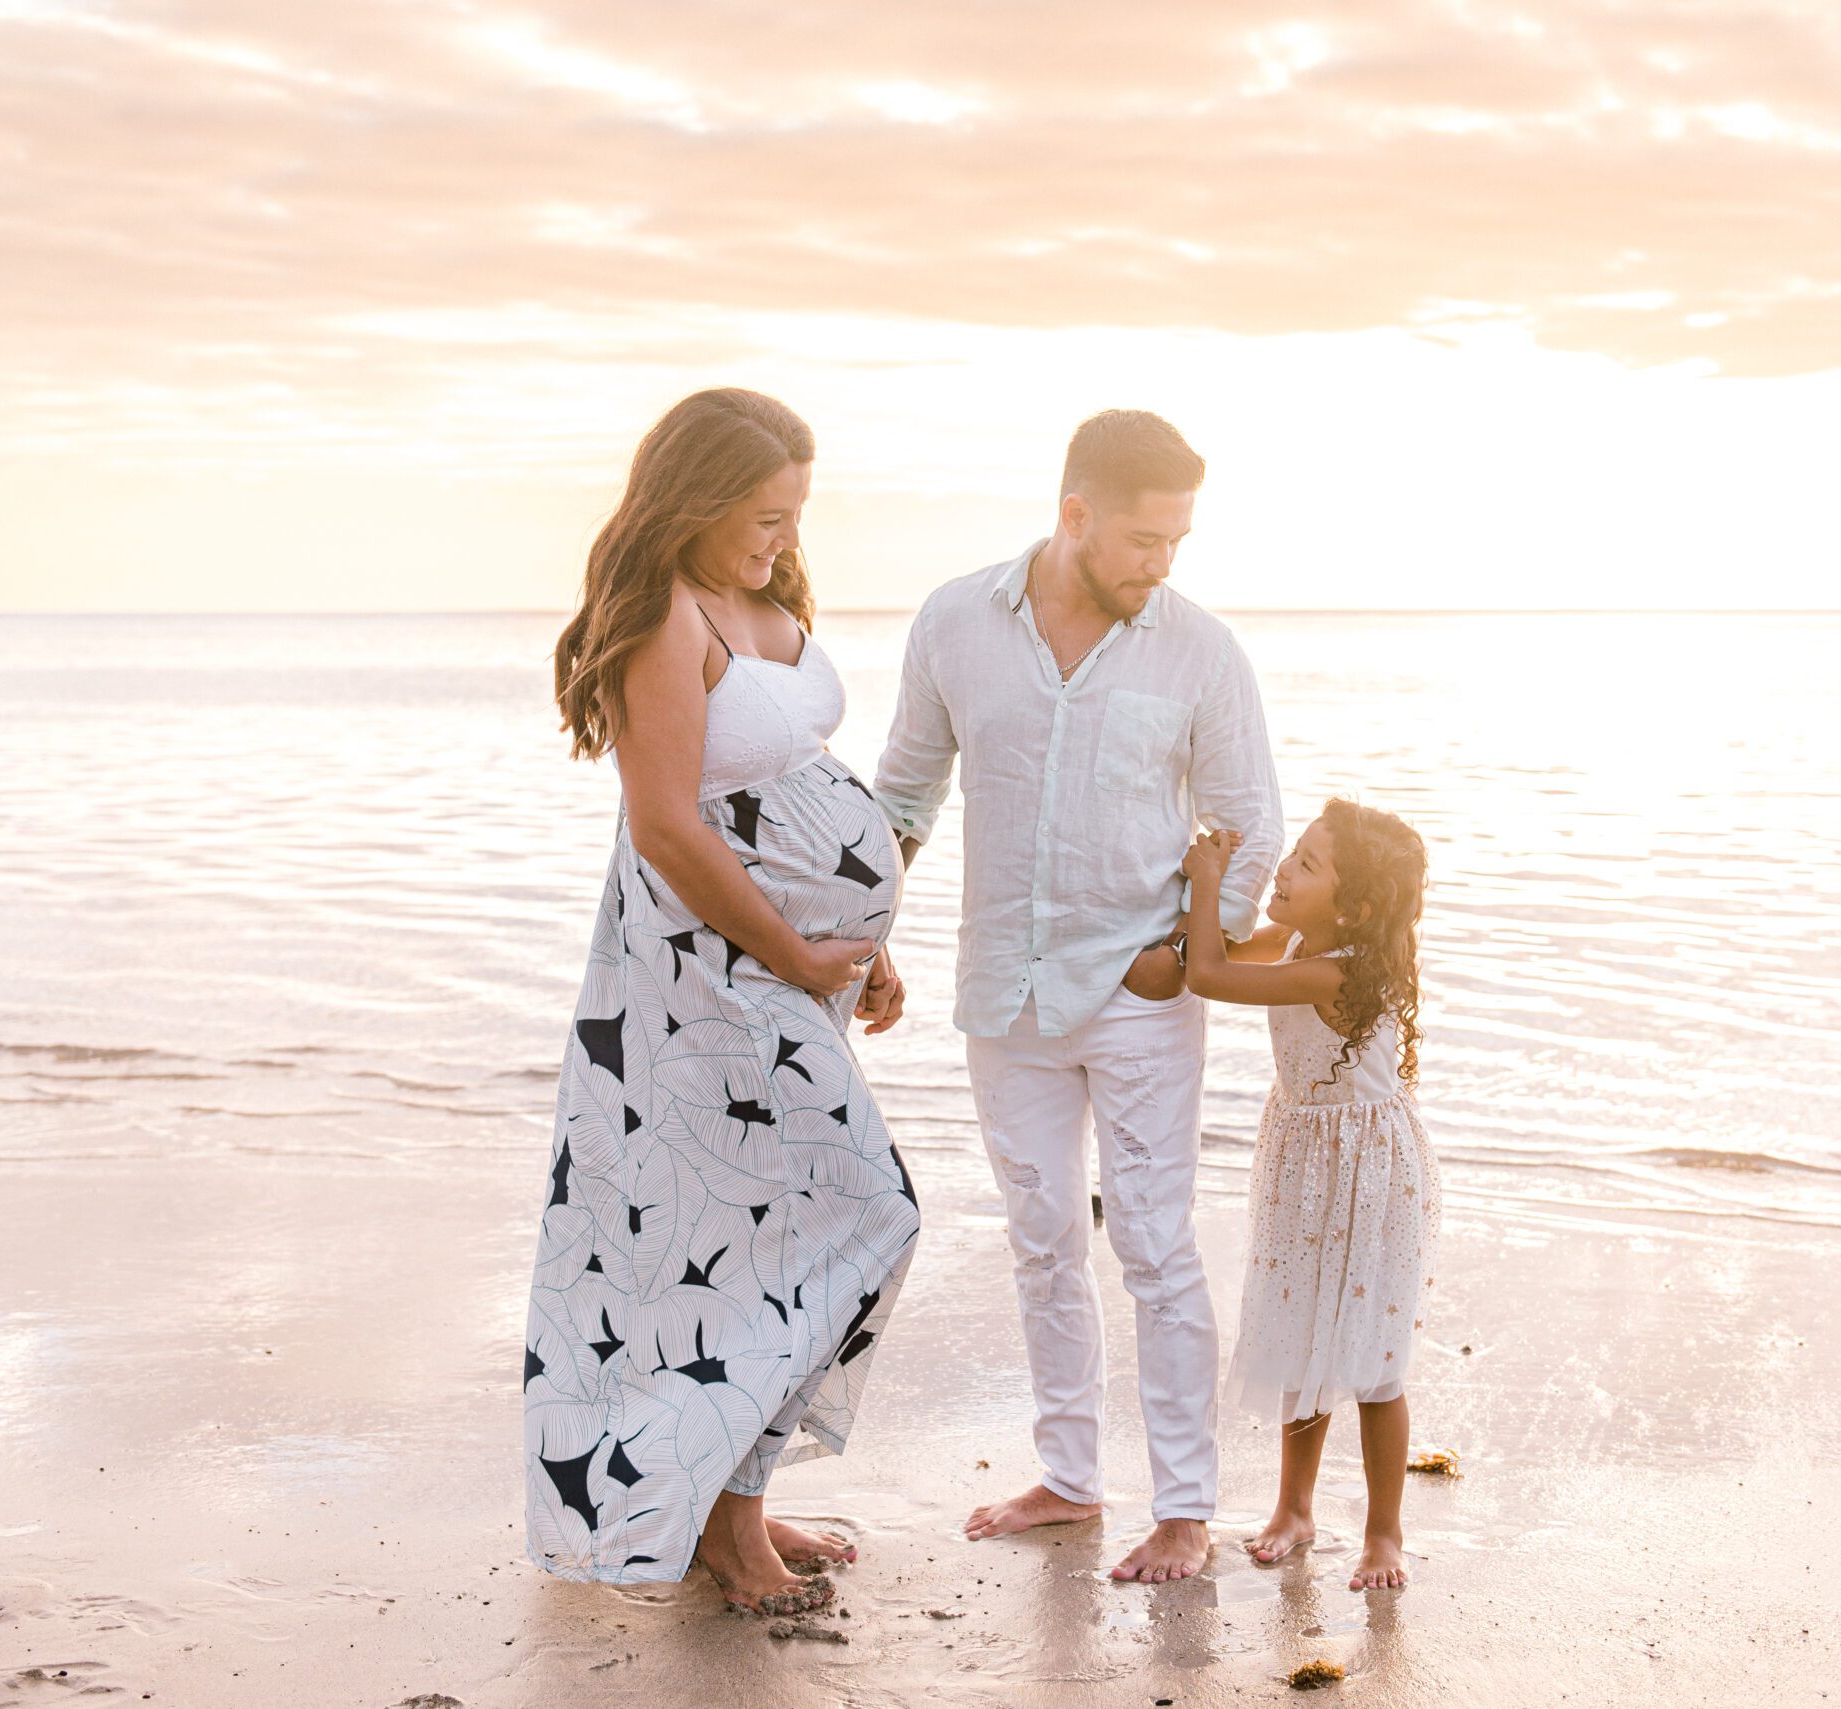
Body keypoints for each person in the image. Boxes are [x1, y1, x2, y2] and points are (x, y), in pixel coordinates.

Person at [522, 389, 919, 1617]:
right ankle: (725, 1525)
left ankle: (726, 1495)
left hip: (787, 975)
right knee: (863, 1214)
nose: (778, 540)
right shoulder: (665, 618)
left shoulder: (762, 598)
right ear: (692, 503)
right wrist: (798, 955)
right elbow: (666, 825)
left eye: (792, 516)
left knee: (778, 1237)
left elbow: (791, 780)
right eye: (759, 516)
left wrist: (865, 943)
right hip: (710, 980)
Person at [872, 409, 1283, 1583]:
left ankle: (1186, 1505)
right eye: (1147, 539)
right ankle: (1066, 1475)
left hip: (1143, 992)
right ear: (1075, 515)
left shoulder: (1199, 651)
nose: (1164, 563)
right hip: (1004, 992)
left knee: (1154, 1244)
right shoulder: (955, 620)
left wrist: (1183, 951)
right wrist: (865, 938)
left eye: (1179, 541)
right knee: (1043, 1238)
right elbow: (904, 794)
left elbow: (1249, 821)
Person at [1179, 803, 1437, 1592]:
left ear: (1354, 908)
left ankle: (1384, 1532)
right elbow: (1220, 945)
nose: (1285, 870)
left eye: (1308, 866)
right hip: (1306, 1156)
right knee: (1303, 1333)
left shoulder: (1342, 968)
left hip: (1369, 1173)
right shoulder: (1298, 940)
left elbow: (1209, 973)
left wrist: (1208, 876)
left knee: (1373, 1363)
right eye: (1292, 853)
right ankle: (1295, 1508)